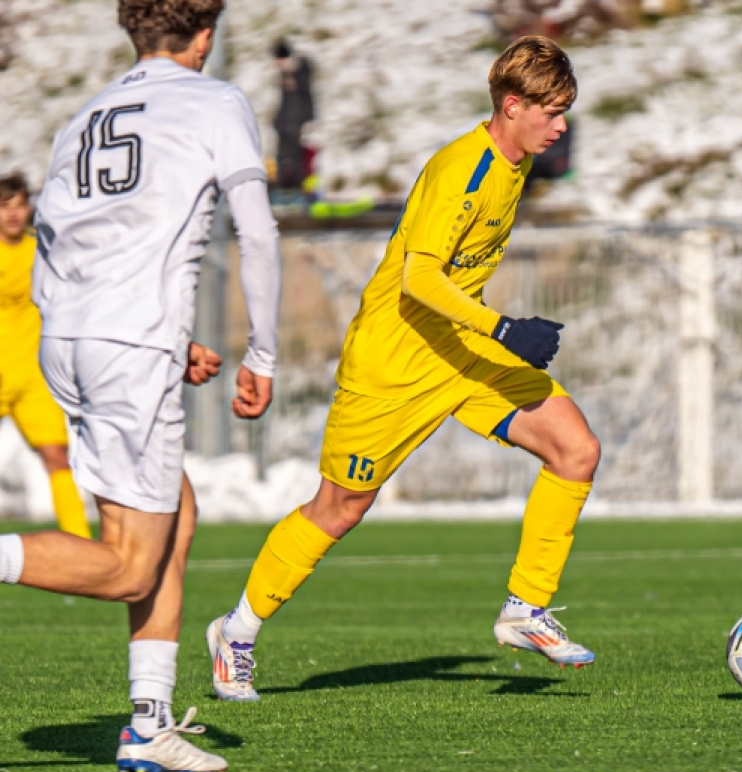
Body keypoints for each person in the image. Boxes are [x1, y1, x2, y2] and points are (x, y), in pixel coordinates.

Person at [207, 34, 600, 703]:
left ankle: (524, 610)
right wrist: (505, 327)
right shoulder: (465, 170)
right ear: (512, 106)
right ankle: (236, 633)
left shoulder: (516, 161)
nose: (562, 124)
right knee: (339, 509)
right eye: (552, 110)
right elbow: (419, 280)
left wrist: (488, 332)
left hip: (460, 351)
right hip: (393, 362)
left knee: (575, 449)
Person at [0, 0, 280, 772]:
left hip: (75, 340)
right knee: (130, 564)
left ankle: (148, 722)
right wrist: (263, 350)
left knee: (174, 519)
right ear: (206, 35)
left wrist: (157, 339)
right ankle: (145, 724)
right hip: (125, 346)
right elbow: (255, 229)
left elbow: (62, 243)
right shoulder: (215, 100)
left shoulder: (83, 116)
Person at [0, 172, 91, 540]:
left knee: (56, 456)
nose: (14, 215)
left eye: (20, 206)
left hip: (32, 376)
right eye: (5, 207)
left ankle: (82, 544)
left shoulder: (43, 250)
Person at [272, 37, 315, 193]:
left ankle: (297, 188)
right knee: (283, 157)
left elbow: (305, 96)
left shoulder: (298, 72)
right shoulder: (286, 73)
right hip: (285, 123)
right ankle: (284, 186)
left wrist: (307, 119)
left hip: (295, 122)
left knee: (295, 157)